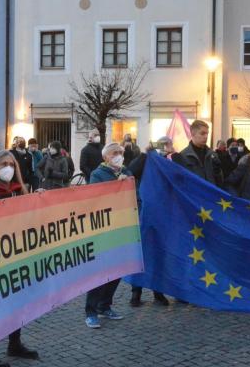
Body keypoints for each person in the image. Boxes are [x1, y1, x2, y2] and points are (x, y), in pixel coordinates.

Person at [0, 151, 40, 367]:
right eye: (3, 164)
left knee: (17, 302)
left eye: (11, 164)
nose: (8, 168)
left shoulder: (20, 191)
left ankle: (15, 343)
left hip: (17, 255)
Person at [85, 143, 132, 328]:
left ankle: (105, 305)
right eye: (115, 153)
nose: (119, 156)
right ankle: (91, 311)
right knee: (100, 271)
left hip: (121, 226)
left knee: (117, 269)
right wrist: (117, 186)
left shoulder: (126, 172)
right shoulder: (97, 174)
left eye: (121, 153)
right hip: (103, 228)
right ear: (106, 157)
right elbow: (96, 198)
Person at [127, 146, 171, 307]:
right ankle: (136, 293)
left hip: (161, 217)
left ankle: (157, 292)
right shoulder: (144, 162)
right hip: (142, 215)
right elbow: (131, 170)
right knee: (140, 255)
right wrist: (145, 155)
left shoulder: (167, 163)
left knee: (158, 254)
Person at [172, 120, 223, 188]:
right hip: (195, 196)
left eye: (207, 133)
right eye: (202, 133)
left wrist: (218, 171)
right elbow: (181, 182)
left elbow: (220, 182)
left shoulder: (212, 155)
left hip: (211, 195)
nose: (206, 136)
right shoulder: (183, 156)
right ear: (193, 134)